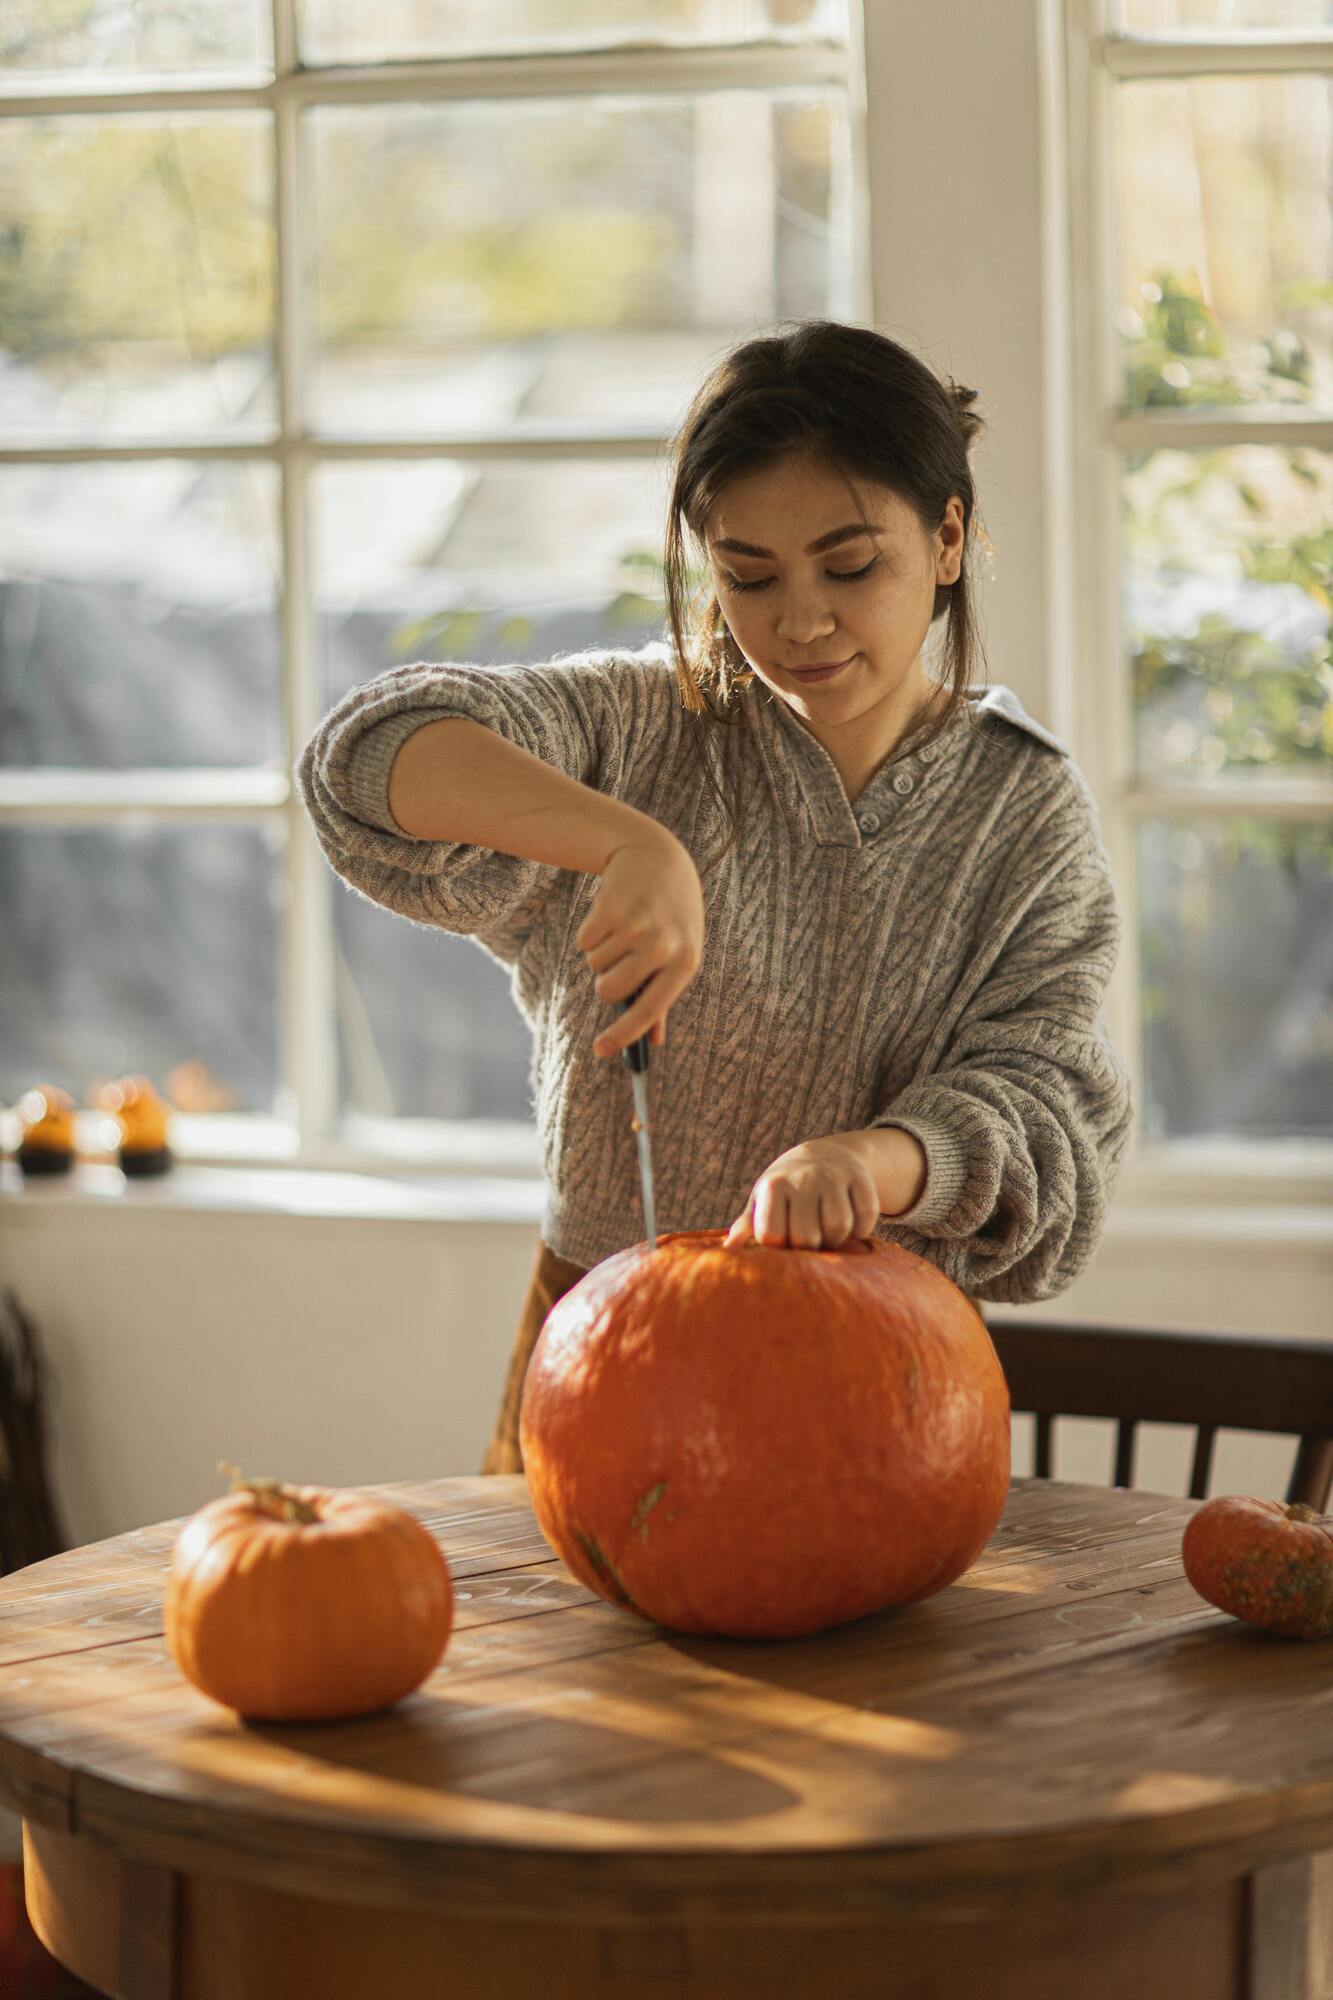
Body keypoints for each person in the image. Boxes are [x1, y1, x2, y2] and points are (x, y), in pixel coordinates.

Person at [296, 318, 1134, 1477]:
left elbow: (1047, 1110)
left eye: (850, 566)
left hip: (883, 1374)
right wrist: (627, 840)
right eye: (747, 576)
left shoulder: (1024, 807)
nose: (797, 622)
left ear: (947, 539)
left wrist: (871, 1160)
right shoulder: (637, 727)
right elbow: (362, 752)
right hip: (601, 1340)